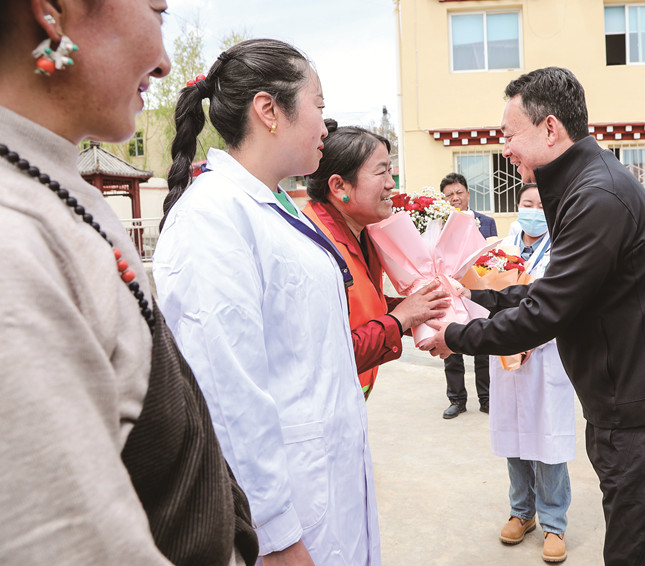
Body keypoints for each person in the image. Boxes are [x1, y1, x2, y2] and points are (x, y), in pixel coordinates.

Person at [0, 1, 258, 565]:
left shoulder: (52, 183)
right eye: (157, 10)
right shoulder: (12, 241)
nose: (164, 63)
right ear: (52, 12)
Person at [421, 66, 645, 566]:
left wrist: (456, 335)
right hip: (626, 401)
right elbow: (558, 290)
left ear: (550, 128)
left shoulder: (596, 196)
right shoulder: (585, 186)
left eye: (510, 135)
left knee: (637, 552)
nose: (505, 149)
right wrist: (480, 298)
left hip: (643, 409)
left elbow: (547, 311)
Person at [153, 40, 379, 565]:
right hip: (287, 517)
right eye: (318, 105)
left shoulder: (276, 206)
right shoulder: (212, 216)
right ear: (268, 110)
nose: (326, 127)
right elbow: (225, 392)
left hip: (328, 485)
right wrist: (273, 536)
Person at [303, 121, 448, 399]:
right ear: (339, 186)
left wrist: (429, 313)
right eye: (381, 172)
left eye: (390, 171)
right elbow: (331, 351)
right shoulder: (316, 247)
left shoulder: (364, 233)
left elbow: (369, 306)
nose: (391, 184)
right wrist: (402, 317)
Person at [488, 183, 576, 564]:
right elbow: (489, 295)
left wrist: (530, 340)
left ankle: (554, 523)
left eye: (542, 205)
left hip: (546, 355)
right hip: (507, 355)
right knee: (513, 436)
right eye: (528, 203)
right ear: (517, 205)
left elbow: (564, 305)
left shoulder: (563, 248)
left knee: (548, 440)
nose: (534, 210)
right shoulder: (500, 249)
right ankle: (521, 512)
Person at [439, 172, 496, 418]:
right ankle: (457, 400)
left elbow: (493, 258)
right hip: (449, 293)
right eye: (449, 195)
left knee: (483, 344)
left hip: (477, 291)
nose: (455, 198)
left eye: (458, 192)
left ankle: (487, 398)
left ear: (468, 194)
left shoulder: (486, 222)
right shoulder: (438, 224)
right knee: (451, 346)